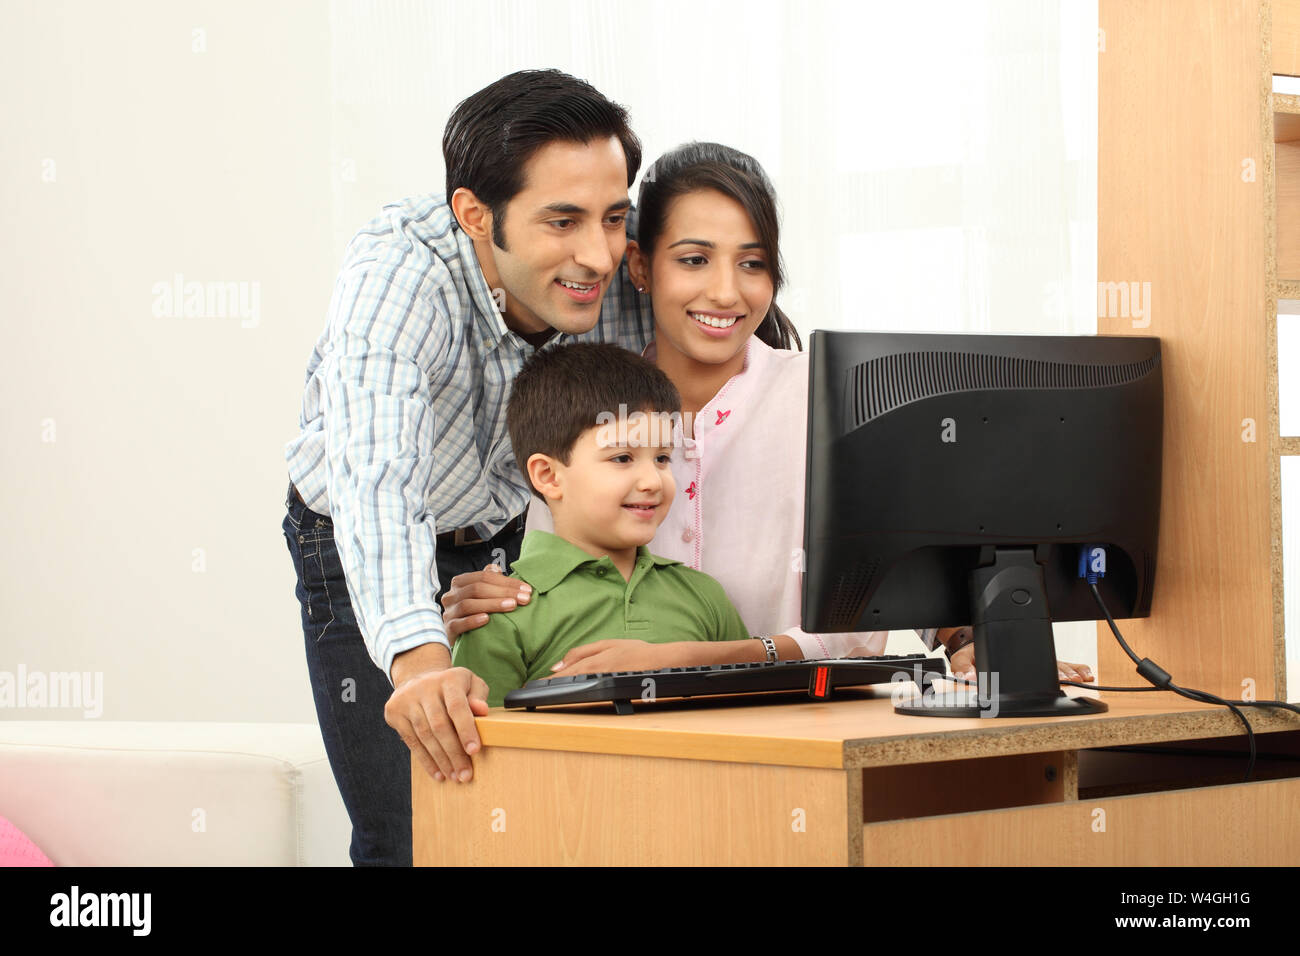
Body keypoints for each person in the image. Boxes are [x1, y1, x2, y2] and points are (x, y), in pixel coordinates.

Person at [442, 142, 1098, 684]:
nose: (726, 291)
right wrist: (495, 599)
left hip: (812, 724)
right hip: (643, 748)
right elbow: (546, 592)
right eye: (694, 260)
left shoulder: (833, 399)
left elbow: (907, 571)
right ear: (640, 266)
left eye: (752, 264)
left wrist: (969, 642)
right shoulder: (590, 406)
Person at [281, 69, 653, 866]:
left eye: (614, 217)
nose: (599, 254)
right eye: (562, 221)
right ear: (475, 216)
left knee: (529, 826)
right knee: (419, 827)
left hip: (504, 534)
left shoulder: (614, 255)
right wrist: (419, 664)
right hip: (353, 536)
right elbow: (376, 477)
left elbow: (731, 370)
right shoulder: (399, 274)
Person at [451, 343, 753, 704]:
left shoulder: (705, 596)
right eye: (623, 457)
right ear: (548, 475)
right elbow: (485, 754)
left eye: (661, 458)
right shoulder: (498, 614)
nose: (653, 481)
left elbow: (748, 719)